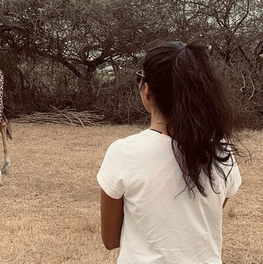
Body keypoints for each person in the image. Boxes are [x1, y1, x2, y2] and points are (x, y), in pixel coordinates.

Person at [97, 40, 242, 263]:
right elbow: (208, 215)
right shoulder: (221, 152)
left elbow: (111, 240)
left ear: (147, 91)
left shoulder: (123, 153)